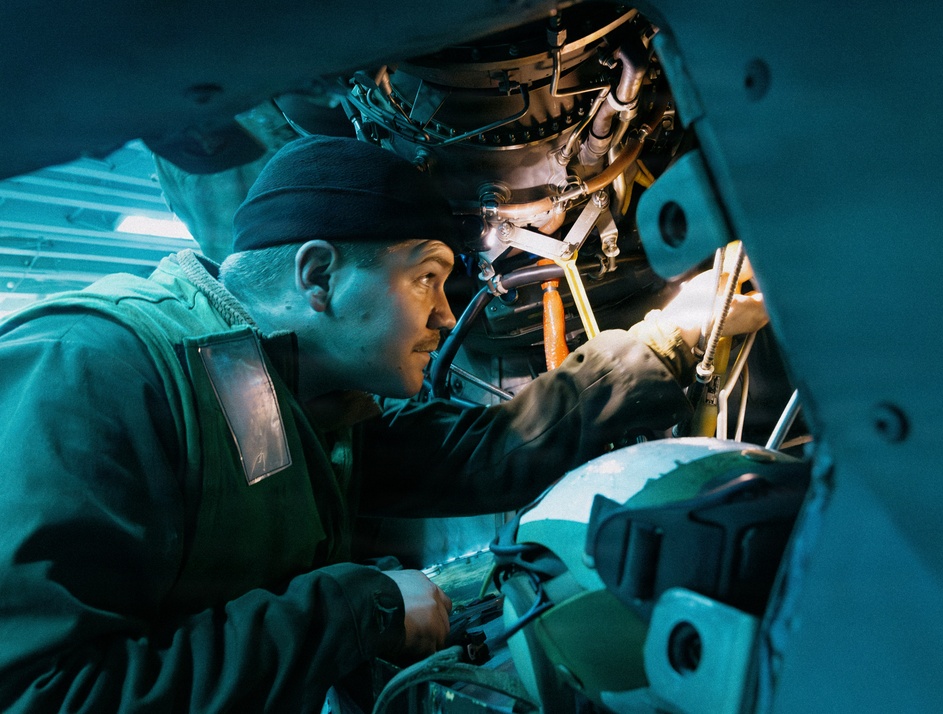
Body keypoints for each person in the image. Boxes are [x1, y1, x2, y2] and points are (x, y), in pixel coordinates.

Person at [0, 135, 767, 712]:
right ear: (318, 278)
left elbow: (492, 451)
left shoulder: (301, 401)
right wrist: (358, 606)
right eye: (427, 276)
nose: (443, 313)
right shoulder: (92, 368)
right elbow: (40, 692)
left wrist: (677, 332)